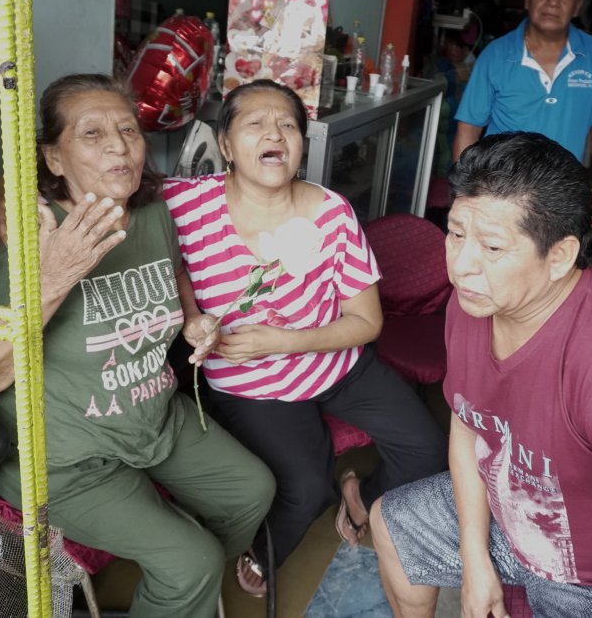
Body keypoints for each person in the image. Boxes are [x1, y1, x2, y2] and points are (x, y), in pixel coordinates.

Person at [371, 132, 592, 617]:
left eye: (492, 247)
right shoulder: (473, 302)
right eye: (456, 233)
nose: (461, 266)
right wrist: (474, 560)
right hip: (510, 518)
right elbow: (468, 420)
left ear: (559, 255)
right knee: (392, 523)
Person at [0, 73, 275, 618]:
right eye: (91, 134)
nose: (117, 145)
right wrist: (54, 275)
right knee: (191, 560)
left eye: (128, 129)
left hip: (151, 414)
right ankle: (183, 572)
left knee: (251, 489)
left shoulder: (153, 211)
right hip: (62, 454)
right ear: (54, 159)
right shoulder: (26, 234)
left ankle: (176, 582)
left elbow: (171, 271)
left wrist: (192, 320)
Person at [162, 79, 449, 595]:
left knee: (429, 450)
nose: (275, 132)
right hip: (252, 385)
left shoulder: (332, 213)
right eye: (255, 123)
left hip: (336, 364)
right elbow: (95, 189)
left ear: (301, 144)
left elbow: (367, 322)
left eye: (288, 124)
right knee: (307, 490)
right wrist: (190, 312)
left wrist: (281, 340)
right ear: (225, 145)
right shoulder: (183, 204)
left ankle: (361, 499)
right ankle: (263, 551)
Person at [452, 0, 592, 230]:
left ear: (577, 6)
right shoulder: (497, 55)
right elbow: (469, 127)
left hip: (564, 194)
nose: (553, 2)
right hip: (500, 192)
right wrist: (465, 191)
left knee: (556, 266)